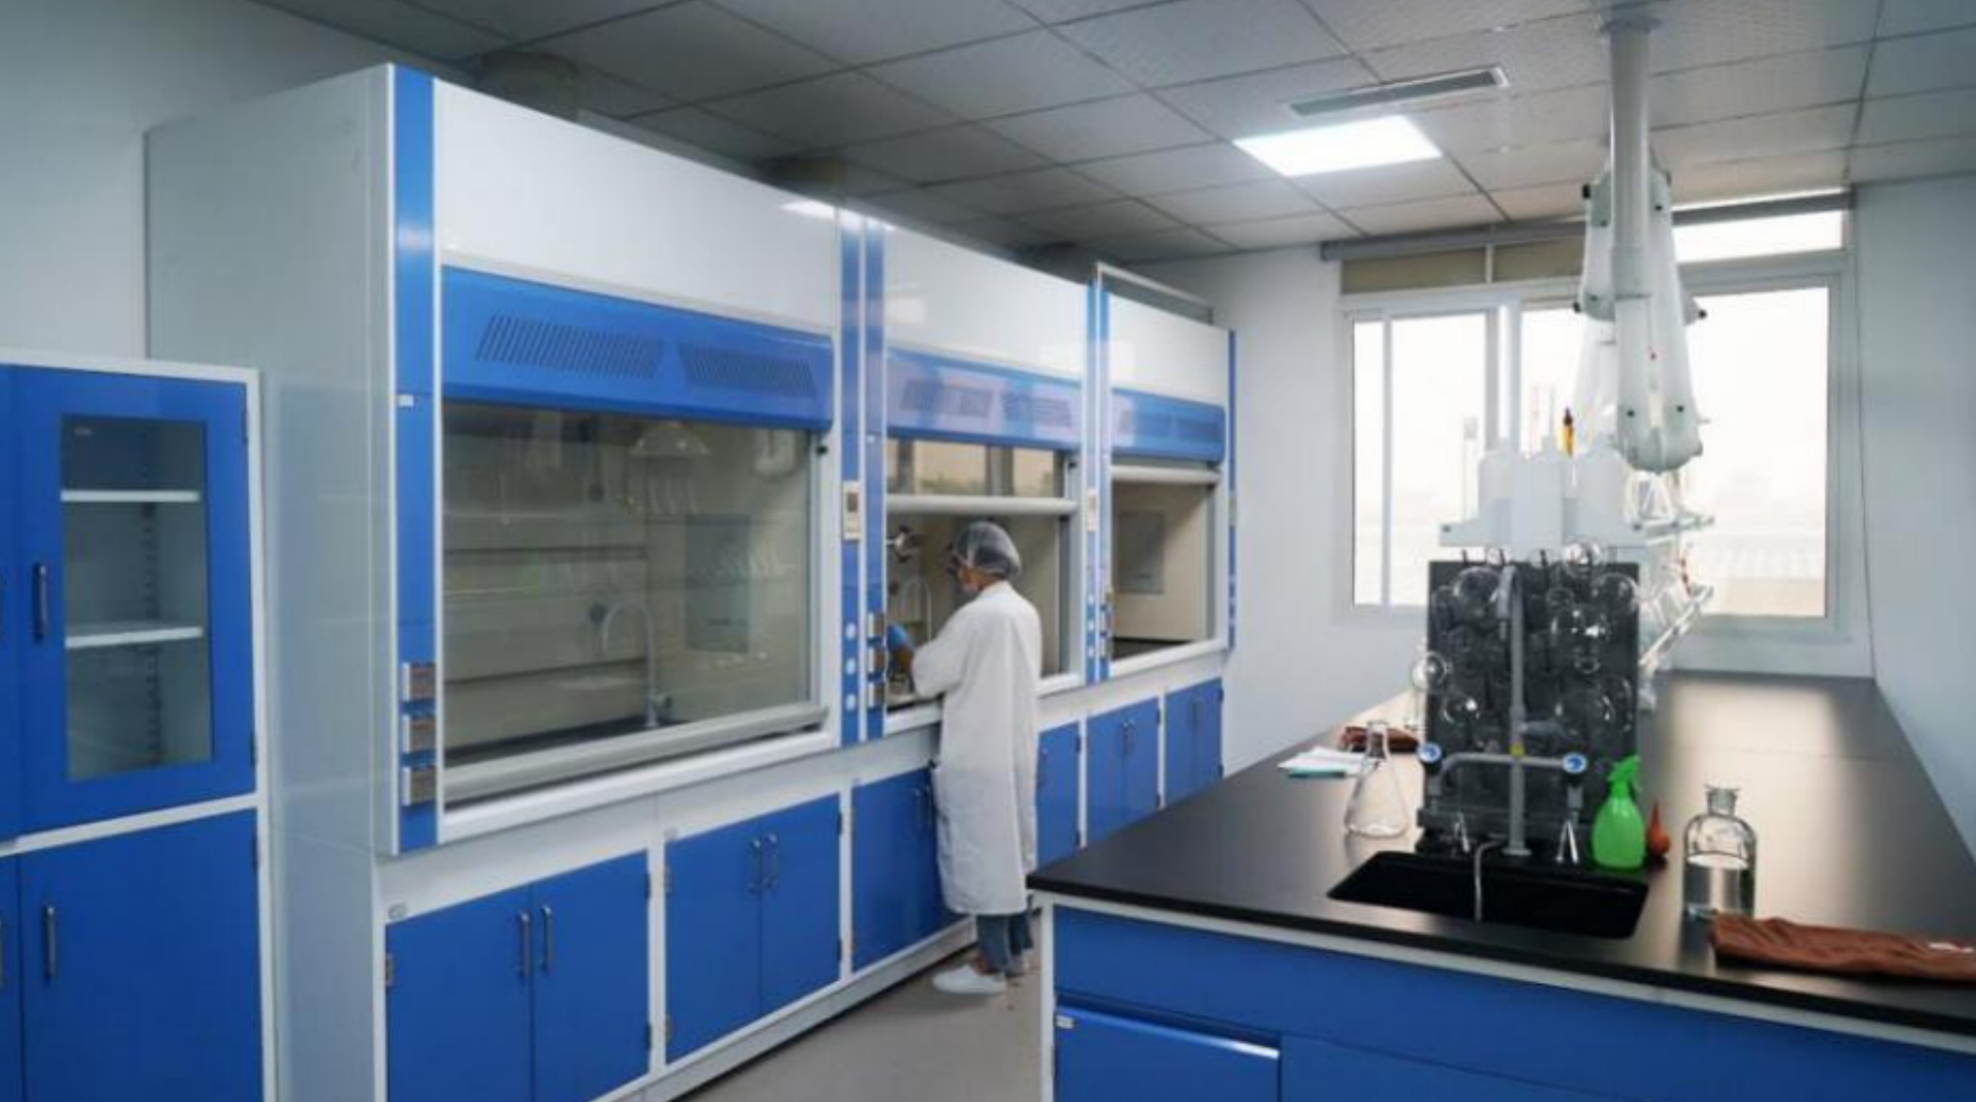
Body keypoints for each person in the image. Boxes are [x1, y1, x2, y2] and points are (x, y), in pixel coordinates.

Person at [891, 521, 1042, 997]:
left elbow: (927, 674)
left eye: (958, 565)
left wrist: (898, 645)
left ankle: (989, 966)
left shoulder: (975, 618)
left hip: (980, 756)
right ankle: (1017, 952)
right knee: (1011, 858)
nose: (957, 574)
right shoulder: (1024, 610)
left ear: (977, 566)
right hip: (1014, 752)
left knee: (987, 861)